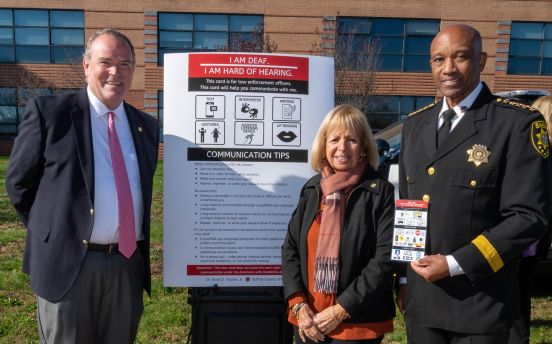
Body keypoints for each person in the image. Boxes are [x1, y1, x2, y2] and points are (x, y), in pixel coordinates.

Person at [397, 24, 551, 344]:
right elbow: (408, 208)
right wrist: (402, 279)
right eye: (439, 60)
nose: (448, 68)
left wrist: (455, 264)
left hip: (481, 304)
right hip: (423, 302)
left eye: (461, 57)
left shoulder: (516, 124)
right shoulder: (415, 125)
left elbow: (528, 217)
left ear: (481, 61)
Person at [5, 28, 159, 343]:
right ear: (87, 65)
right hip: (69, 267)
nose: (116, 72)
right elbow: (19, 184)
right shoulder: (51, 114)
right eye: (106, 62)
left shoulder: (146, 126)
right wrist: (52, 232)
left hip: (126, 266)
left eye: (126, 64)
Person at [282, 104, 396, 344]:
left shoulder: (380, 192)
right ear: (324, 146)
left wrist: (340, 310)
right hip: (308, 321)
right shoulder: (312, 189)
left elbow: (384, 260)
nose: (342, 148)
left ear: (364, 146)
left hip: (357, 324)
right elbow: (290, 248)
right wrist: (298, 304)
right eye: (334, 139)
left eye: (351, 140)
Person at [508, 95, 552, 344]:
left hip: (525, 237)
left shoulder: (538, 155)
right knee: (522, 289)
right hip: (539, 236)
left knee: (515, 290)